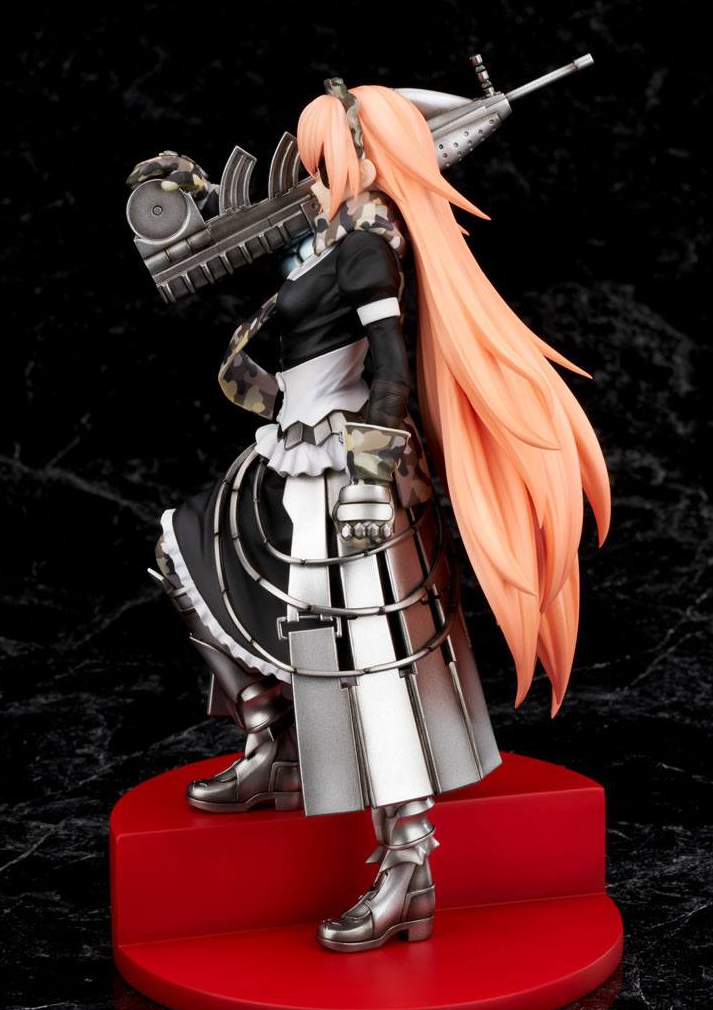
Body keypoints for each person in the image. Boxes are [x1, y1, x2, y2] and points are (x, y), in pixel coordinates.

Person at [129, 79, 610, 953]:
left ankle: (408, 871)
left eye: (325, 152)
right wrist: (193, 197)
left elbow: (391, 369)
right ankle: (272, 743)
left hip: (348, 464)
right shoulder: (323, 228)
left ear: (360, 153)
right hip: (292, 448)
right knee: (181, 550)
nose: (311, 168)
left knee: (378, 667)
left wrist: (370, 479)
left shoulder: (368, 241)